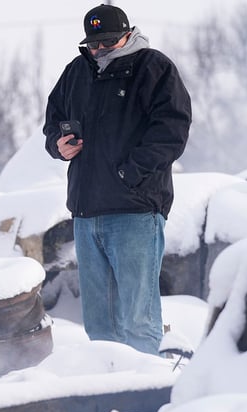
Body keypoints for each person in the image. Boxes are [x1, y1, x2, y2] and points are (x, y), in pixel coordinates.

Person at [43, 4, 191, 355]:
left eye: (108, 42)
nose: (99, 49)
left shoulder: (154, 67)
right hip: (86, 211)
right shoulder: (75, 72)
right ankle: (108, 389)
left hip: (134, 211)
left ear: (127, 33)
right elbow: (53, 120)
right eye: (94, 44)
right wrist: (58, 145)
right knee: (99, 322)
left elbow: (172, 130)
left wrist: (130, 174)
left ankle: (145, 393)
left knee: (138, 319)